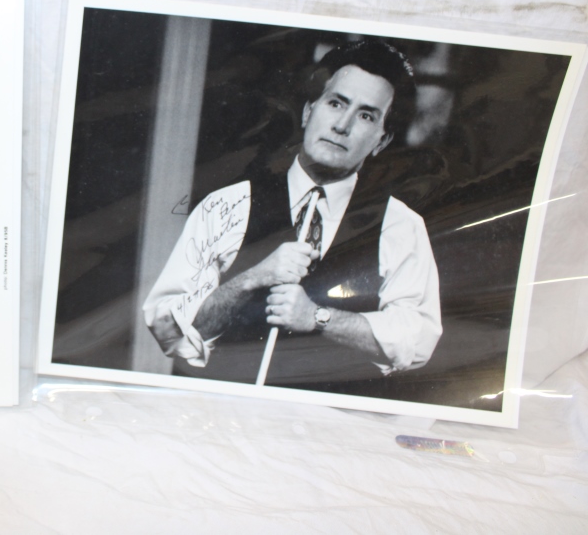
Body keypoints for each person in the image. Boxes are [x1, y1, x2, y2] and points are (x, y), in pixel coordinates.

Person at [142, 40, 442, 396]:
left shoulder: (401, 225)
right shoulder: (227, 205)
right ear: (308, 112)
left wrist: (317, 318)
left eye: (366, 116)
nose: (342, 125)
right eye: (335, 103)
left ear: (382, 140)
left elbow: (416, 340)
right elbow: (167, 328)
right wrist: (251, 279)